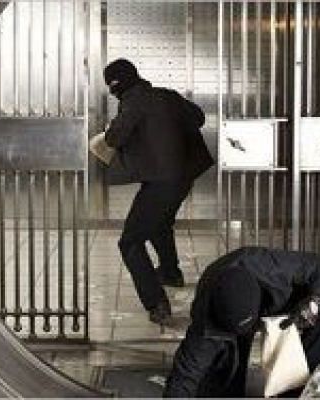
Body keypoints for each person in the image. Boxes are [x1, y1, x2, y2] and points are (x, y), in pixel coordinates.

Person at [103, 59, 214, 325]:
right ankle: (170, 273)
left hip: (162, 181)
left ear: (116, 84)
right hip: (184, 176)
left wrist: (110, 130)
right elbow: (199, 117)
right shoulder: (167, 95)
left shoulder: (132, 101)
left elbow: (114, 138)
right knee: (159, 223)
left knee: (130, 242)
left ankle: (157, 303)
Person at [164, 246, 320, 398]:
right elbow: (184, 375)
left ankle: (302, 389)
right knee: (219, 384)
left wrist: (314, 302)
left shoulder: (271, 268)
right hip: (225, 319)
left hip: (285, 300)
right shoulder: (206, 319)